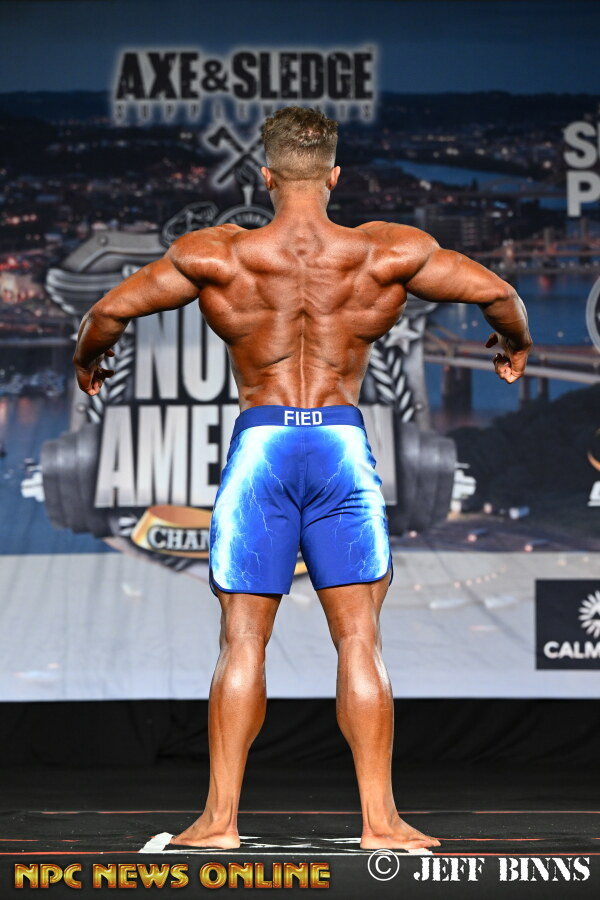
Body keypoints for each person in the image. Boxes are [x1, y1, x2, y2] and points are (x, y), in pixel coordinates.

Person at [73, 106, 532, 851]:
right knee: (360, 639)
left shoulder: (219, 254)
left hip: (262, 451)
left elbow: (107, 312)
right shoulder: (385, 252)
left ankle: (219, 822)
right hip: (339, 450)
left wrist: (87, 360)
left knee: (241, 642)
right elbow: (499, 295)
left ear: (265, 175)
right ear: (334, 176)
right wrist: (514, 345)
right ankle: (380, 822)